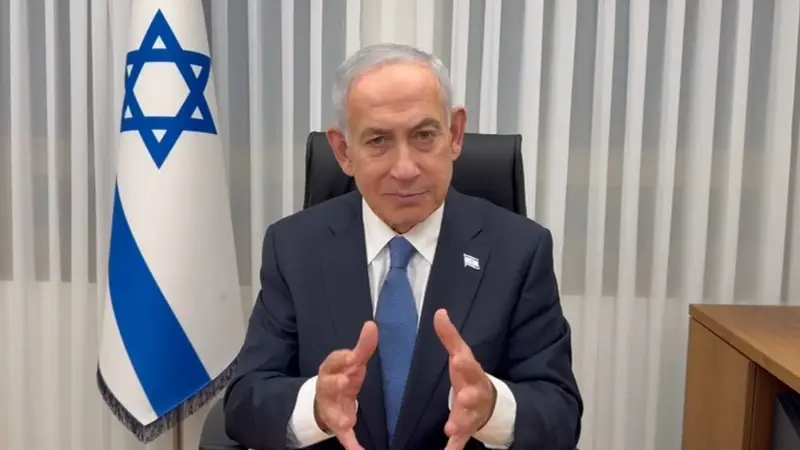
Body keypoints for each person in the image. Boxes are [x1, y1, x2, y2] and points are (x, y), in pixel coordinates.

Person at [223, 43, 582, 450]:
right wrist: (316, 407)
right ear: (343, 151)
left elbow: (560, 416)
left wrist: (492, 408)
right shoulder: (293, 247)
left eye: (424, 135)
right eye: (378, 140)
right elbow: (244, 403)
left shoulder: (519, 250)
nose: (406, 169)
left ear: (455, 135)